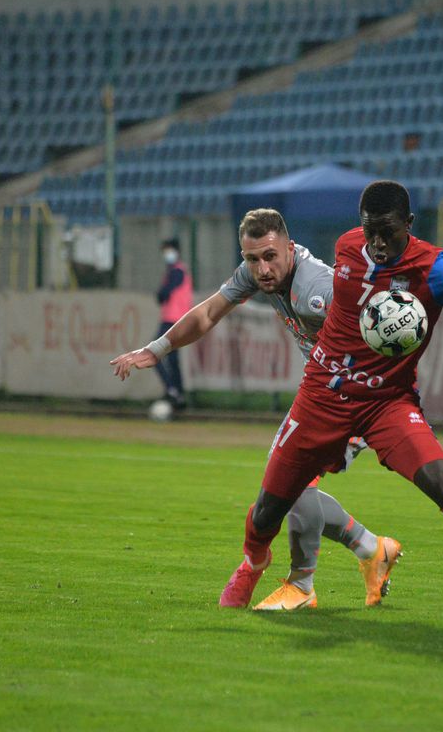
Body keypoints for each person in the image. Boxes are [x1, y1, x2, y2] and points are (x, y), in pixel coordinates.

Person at [221, 181, 443, 623]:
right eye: (370, 231)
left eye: (388, 231)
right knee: (270, 506)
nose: (378, 243)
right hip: (322, 395)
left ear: (409, 224)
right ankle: (253, 565)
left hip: (386, 402)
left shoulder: (436, 270)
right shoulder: (348, 247)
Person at [111, 209, 400, 611]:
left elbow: (379, 326)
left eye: (269, 256)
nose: (261, 269)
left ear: (289, 246)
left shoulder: (316, 287)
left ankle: (304, 584)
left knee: (290, 479)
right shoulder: (256, 273)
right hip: (326, 395)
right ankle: (371, 548)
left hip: (361, 396)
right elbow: (209, 312)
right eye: (252, 259)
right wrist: (156, 350)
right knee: (289, 485)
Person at [154, 237, 193, 409]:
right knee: (172, 359)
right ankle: (178, 394)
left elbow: (163, 294)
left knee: (154, 354)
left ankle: (172, 390)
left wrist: (161, 293)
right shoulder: (176, 271)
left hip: (172, 320)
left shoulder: (177, 272)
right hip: (178, 320)